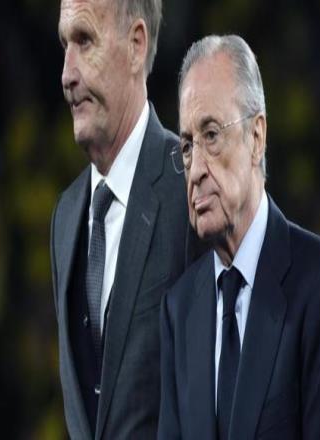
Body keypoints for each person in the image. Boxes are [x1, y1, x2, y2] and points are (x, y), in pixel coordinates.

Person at [158, 35, 320, 440]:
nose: (195, 170)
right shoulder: (178, 311)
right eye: (187, 146)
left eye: (211, 135)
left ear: (257, 137)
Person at [50, 0, 197, 438]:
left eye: (84, 41)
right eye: (64, 45)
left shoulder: (191, 186)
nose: (66, 74)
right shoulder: (65, 217)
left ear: (136, 45)